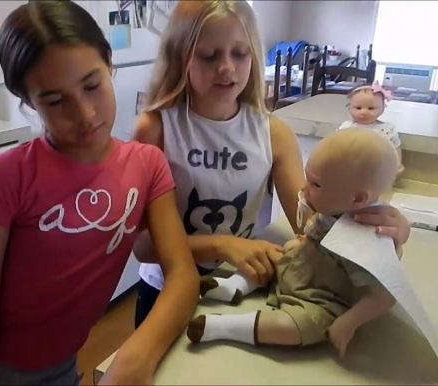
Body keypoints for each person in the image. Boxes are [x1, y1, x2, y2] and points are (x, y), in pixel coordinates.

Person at [0, 2, 199, 385]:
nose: (85, 114)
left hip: (60, 366)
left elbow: (181, 273)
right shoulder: (5, 179)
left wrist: (136, 355)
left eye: (92, 85)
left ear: (109, 64)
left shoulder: (147, 166)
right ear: (28, 100)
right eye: (55, 100)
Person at [132, 0, 411, 329]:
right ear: (180, 56)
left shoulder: (272, 132)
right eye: (209, 55)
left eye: (240, 53)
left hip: (243, 286)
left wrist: (379, 237)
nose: (227, 67)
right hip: (164, 289)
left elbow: (309, 227)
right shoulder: (156, 129)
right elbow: (143, 245)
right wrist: (223, 244)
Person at [187, 129, 399, 359]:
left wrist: (348, 323)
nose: (304, 188)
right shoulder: (332, 209)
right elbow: (312, 235)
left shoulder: (366, 238)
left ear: (357, 198)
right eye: (308, 177)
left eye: (316, 185)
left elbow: (384, 296)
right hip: (302, 267)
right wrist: (298, 245)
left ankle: (223, 327)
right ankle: (233, 287)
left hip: (323, 298)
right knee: (263, 255)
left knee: (296, 328)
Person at [338, 82, 404, 174]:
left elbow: (395, 148)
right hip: (352, 170)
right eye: (358, 108)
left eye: (371, 108)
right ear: (349, 108)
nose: (364, 112)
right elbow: (335, 147)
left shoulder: (388, 129)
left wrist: (397, 164)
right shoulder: (346, 127)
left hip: (379, 171)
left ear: (382, 109)